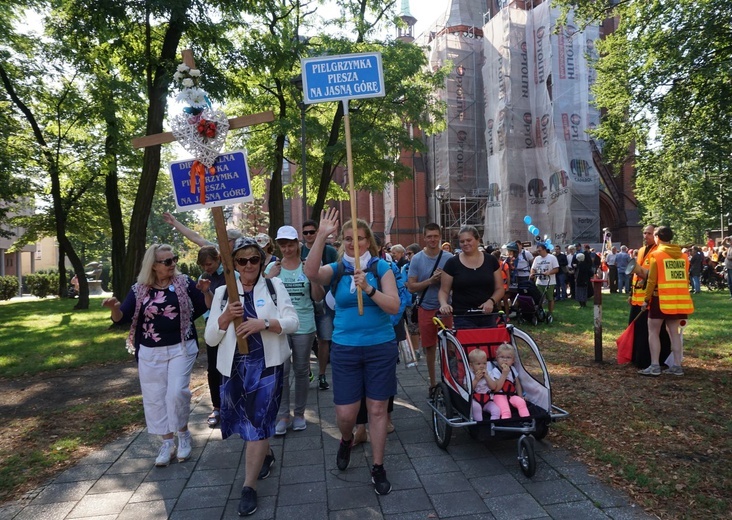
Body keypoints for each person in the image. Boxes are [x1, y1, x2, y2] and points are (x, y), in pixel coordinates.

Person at [304, 208, 400, 496]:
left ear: (368, 241)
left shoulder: (381, 268)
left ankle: (378, 467)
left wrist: (369, 289)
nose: (353, 244)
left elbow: (394, 307)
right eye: (347, 239)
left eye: (359, 239)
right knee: (345, 413)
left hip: (380, 347)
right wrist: (321, 234)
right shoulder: (338, 269)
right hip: (345, 348)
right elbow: (311, 273)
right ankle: (346, 439)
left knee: (377, 410)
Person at [204, 237, 299, 516]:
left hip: (267, 368)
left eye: (254, 259)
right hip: (233, 369)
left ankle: (248, 486)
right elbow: (210, 339)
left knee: (256, 425)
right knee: (249, 425)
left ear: (261, 261)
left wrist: (265, 323)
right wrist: (223, 319)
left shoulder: (274, 286)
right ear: (234, 263)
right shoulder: (222, 293)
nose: (248, 265)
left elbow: (293, 322)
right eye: (242, 260)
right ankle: (266, 453)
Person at [102, 244, 207, 468]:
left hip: (181, 346)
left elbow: (202, 306)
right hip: (150, 350)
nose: (173, 264)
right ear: (154, 265)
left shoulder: (184, 283)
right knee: (155, 397)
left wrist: (206, 292)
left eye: (174, 259)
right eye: (167, 261)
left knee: (176, 392)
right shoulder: (140, 289)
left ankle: (183, 434)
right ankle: (167, 443)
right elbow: (121, 318)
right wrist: (114, 307)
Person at [265, 226, 324, 435]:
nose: (287, 249)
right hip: (279, 326)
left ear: (297, 244)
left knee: (301, 369)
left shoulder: (307, 266)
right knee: (281, 371)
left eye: (290, 244)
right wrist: (268, 278)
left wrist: (314, 277)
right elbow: (261, 298)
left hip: (304, 324)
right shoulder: (273, 268)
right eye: (283, 245)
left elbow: (317, 297)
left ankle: (299, 414)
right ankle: (282, 414)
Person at [638, 226, 694, 376]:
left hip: (660, 298)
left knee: (653, 331)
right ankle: (677, 366)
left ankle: (655, 365)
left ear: (657, 237)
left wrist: (646, 299)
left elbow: (651, 280)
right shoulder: (683, 257)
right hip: (678, 299)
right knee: (674, 334)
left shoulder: (657, 255)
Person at [407, 223, 453, 391]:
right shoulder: (417, 259)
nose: (433, 239)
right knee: (430, 347)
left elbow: (456, 283)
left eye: (435, 236)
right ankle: (433, 383)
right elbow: (411, 286)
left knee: (450, 347)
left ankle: (451, 381)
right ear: (424, 238)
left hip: (446, 308)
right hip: (425, 307)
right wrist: (431, 281)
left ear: (440, 236)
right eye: (429, 236)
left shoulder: (449, 258)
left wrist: (445, 280)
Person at [438, 225, 505, 329]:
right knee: (468, 344)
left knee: (489, 344)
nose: (465, 244)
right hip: (463, 315)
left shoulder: (490, 261)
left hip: (488, 314)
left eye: (469, 240)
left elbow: (500, 288)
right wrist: (443, 304)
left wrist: (491, 301)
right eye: (462, 241)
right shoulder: (452, 263)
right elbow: (444, 290)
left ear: (478, 240)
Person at [301, 219, 338, 391]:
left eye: (311, 232)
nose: (308, 235)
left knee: (324, 339)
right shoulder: (299, 251)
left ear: (318, 232)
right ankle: (307, 370)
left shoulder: (330, 251)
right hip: (305, 302)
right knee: (306, 339)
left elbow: (338, 274)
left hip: (325, 302)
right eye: (305, 232)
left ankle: (322, 374)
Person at [629, 225, 671, 368]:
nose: (646, 236)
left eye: (649, 233)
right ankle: (637, 358)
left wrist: (645, 275)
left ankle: (653, 360)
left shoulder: (659, 252)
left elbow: (656, 276)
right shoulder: (641, 250)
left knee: (652, 332)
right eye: (644, 233)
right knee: (637, 330)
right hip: (636, 298)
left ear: (657, 236)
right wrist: (631, 293)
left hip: (651, 299)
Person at [196, 245, 228, 427]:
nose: (206, 268)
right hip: (213, 324)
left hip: (231, 322)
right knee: (213, 367)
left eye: (209, 264)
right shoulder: (204, 278)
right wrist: (206, 291)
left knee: (233, 364)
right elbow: (208, 306)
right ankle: (217, 406)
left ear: (218, 259)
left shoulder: (230, 274)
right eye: (203, 265)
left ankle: (233, 402)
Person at [488, 343, 530, 419]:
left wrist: (520, 396)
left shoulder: (513, 370)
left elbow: (517, 384)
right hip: (499, 395)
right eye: (502, 357)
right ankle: (506, 424)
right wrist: (504, 374)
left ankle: (527, 419)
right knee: (505, 411)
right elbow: (496, 389)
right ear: (497, 358)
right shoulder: (495, 371)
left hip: (512, 395)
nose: (505, 360)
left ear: (513, 360)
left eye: (508, 358)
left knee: (522, 403)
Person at [162, 211, 242, 249]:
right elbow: (196, 238)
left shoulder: (248, 252)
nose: (221, 243)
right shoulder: (217, 249)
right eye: (219, 240)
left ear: (235, 241)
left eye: (225, 240)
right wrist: (174, 222)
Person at [466, 349, 500, 421]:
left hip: (487, 400)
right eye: (478, 364)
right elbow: (467, 389)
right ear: (471, 365)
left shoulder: (489, 373)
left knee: (496, 410)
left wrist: (487, 377)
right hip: (474, 400)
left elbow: (493, 387)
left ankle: (492, 426)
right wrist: (476, 380)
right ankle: (480, 426)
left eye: (484, 363)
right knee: (477, 408)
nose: (482, 366)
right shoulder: (469, 375)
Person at [531, 243, 559, 319]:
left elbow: (556, 269)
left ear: (544, 249)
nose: (538, 252)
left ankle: (550, 313)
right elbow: (533, 268)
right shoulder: (537, 259)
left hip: (549, 282)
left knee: (550, 298)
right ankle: (541, 312)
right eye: (537, 251)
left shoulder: (552, 257)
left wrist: (549, 272)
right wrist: (532, 273)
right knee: (539, 299)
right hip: (539, 282)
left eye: (540, 250)